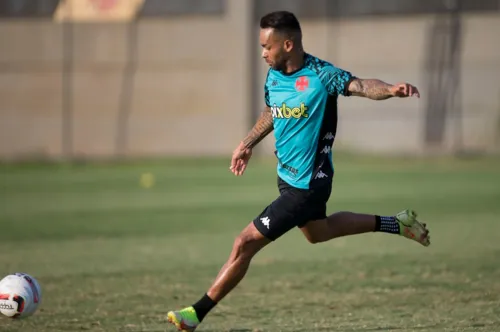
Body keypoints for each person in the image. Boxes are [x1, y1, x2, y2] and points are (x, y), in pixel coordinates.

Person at [167, 10, 430, 332]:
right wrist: (248, 142)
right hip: (288, 178)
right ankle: (397, 223)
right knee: (319, 233)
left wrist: (390, 89)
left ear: (288, 44)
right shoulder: (274, 75)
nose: (263, 53)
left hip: (308, 184)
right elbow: (271, 111)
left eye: (267, 46)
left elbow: (361, 85)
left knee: (244, 243)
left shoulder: (322, 75)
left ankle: (195, 314)